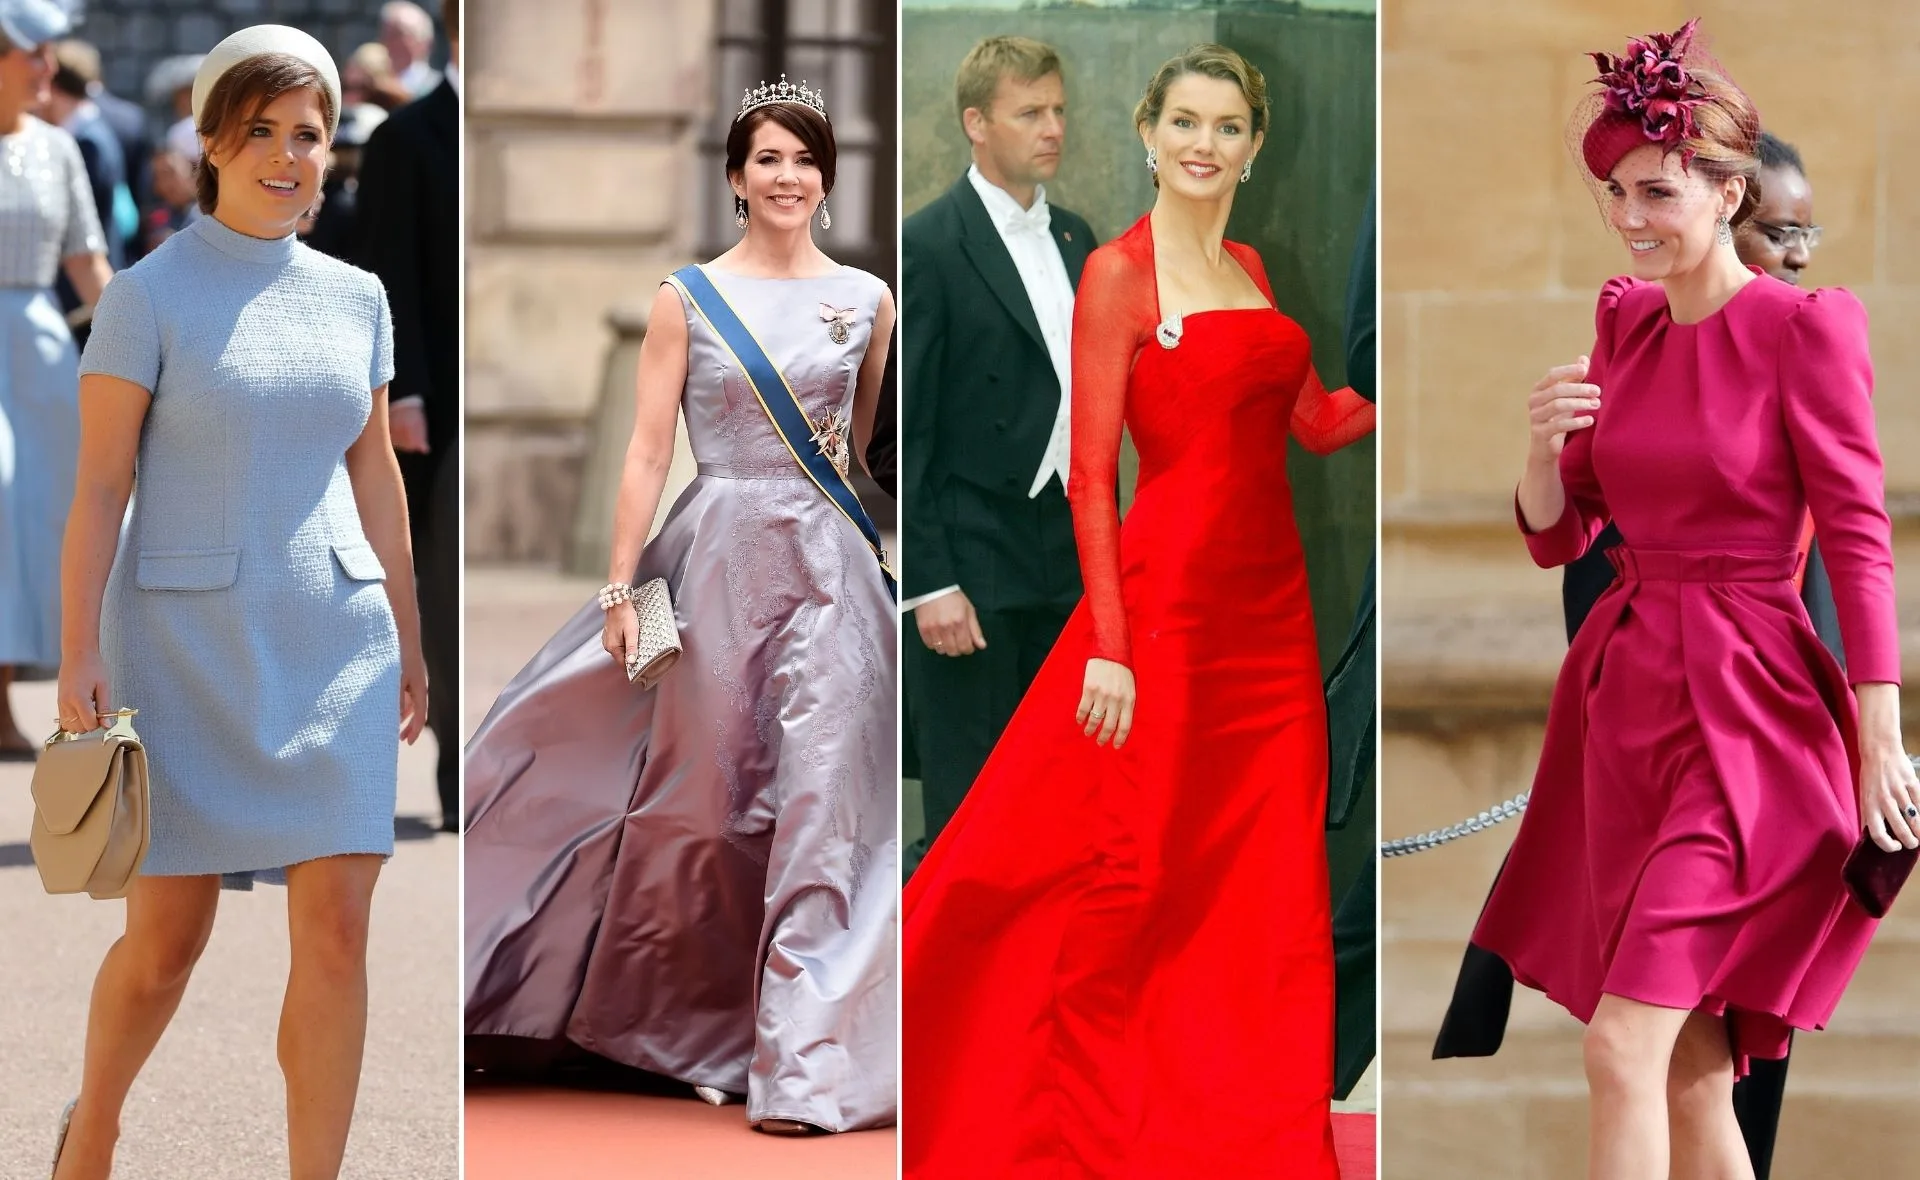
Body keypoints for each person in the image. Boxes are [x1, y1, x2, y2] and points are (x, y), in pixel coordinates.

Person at [903, 44, 1374, 1176]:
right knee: (1111, 858)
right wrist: (1110, 649)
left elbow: (1316, 422)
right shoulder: (1118, 274)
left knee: (1260, 878)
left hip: (1271, 621)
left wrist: (1412, 376)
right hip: (1163, 613)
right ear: (1149, 136)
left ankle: (1246, 1128)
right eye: (1186, 123)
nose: (1205, 144)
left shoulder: (1253, 266)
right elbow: (1090, 477)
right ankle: (1063, 1101)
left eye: (1228, 127)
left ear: (1254, 149)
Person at [1461, 21, 1911, 1180]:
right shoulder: (1626, 321)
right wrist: (1539, 449)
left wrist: (1880, 732)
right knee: (1692, 1075)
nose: (1631, 217)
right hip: (1626, 716)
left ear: (1727, 192)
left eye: (1657, 191)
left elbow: (1860, 538)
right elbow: (1563, 535)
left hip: (1751, 720)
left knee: (1622, 1047)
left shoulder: (1806, 328)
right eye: (1616, 192)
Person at [463, 74, 898, 1136]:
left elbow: (866, 455)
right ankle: (690, 1030)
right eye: (768, 159)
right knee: (711, 807)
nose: (787, 176)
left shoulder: (869, 299)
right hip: (714, 567)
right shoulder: (687, 297)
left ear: (827, 179)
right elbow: (648, 453)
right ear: (736, 178)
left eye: (805, 159)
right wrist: (622, 589)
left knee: (826, 805)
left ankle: (805, 1067)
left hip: (833, 575)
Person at [48, 25, 428, 1179]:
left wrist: (412, 639)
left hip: (338, 640)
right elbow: (100, 486)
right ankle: (95, 1123)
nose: (286, 155)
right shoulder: (146, 296)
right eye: (259, 130)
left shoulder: (358, 296)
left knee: (340, 932)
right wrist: (77, 652)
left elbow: (376, 474)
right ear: (212, 142)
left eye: (306, 134)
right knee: (166, 945)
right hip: (182, 649)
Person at [899, 36, 1094, 869]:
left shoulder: (1078, 238)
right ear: (976, 123)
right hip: (968, 563)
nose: (1053, 129)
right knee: (971, 819)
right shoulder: (926, 244)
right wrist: (928, 584)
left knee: (1063, 803)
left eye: (1058, 110)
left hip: (1065, 556)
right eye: (1030, 113)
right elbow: (900, 435)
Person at [355, 0, 458, 828]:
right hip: (435, 405)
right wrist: (406, 394)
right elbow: (390, 275)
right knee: (435, 588)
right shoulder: (404, 136)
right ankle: (457, 782)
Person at [0, 0, 111, 761]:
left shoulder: (58, 148)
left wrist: (152, 342)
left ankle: (7, 690)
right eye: (32, 52)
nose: (50, 67)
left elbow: (88, 265)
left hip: (39, 358)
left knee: (39, 522)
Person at [380, 2, 439, 98]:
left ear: (424, 42)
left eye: (397, 34)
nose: (387, 41)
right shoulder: (373, 86)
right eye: (386, 34)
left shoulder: (437, 89)